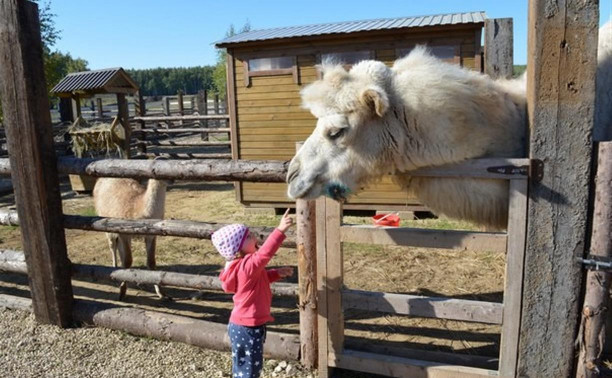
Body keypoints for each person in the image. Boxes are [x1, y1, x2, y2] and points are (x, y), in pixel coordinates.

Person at [213, 209, 295, 378]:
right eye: (249, 237)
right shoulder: (247, 265)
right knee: (250, 370)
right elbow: (265, 254)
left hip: (242, 325)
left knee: (243, 366)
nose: (254, 238)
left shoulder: (241, 267)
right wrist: (279, 230)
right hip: (248, 328)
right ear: (237, 248)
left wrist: (277, 273)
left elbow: (257, 281)